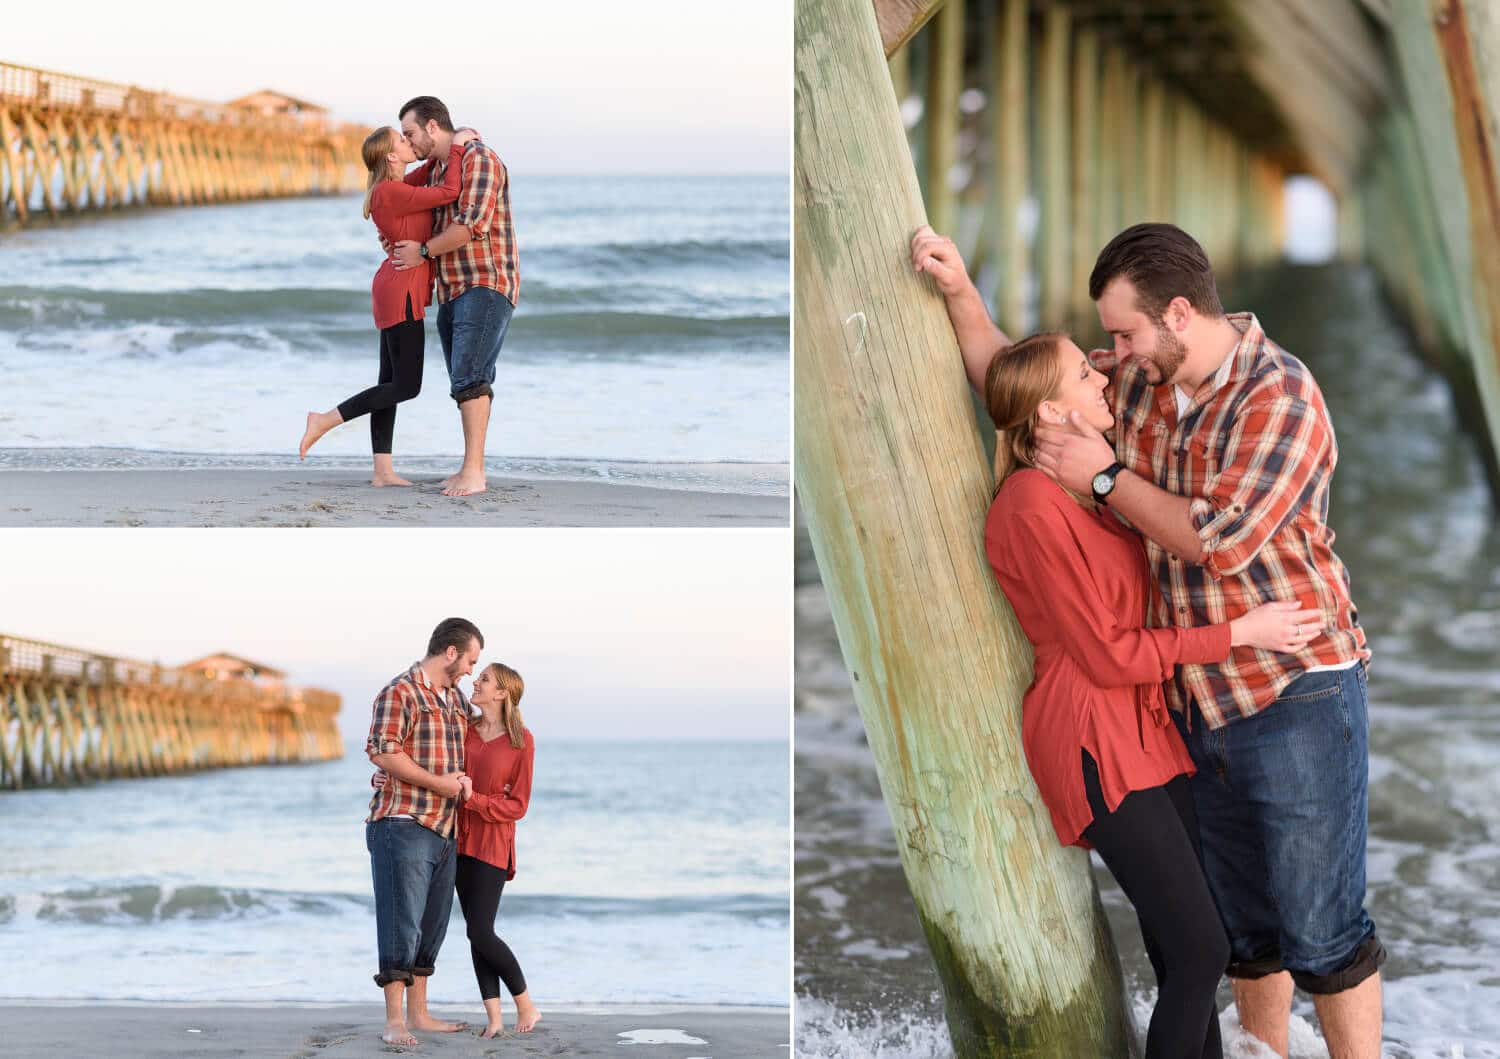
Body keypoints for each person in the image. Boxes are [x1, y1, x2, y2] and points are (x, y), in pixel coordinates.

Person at [912, 222, 1382, 1058]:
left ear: (1176, 314)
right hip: (1189, 700)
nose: (1111, 353)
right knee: (1242, 936)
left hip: (1291, 684)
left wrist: (1100, 476)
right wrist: (959, 294)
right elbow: (1019, 386)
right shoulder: (1140, 383)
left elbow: (1220, 540)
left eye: (1123, 333)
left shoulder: (1280, 394)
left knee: (1325, 932)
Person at [981, 331, 1321, 1058]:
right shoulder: (1029, 506)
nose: (1102, 383)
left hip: (1149, 730)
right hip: (1092, 740)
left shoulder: (1084, 489)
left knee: (1182, 952)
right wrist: (1240, 631)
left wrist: (961, 299)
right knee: (1202, 949)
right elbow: (1107, 653)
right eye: (1083, 375)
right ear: (1048, 414)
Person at [298, 126, 474, 483]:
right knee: (406, 386)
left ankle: (382, 471)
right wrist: (457, 147)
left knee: (389, 382)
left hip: (395, 286)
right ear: (392, 156)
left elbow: (427, 174)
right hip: (400, 290)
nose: (409, 143)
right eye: (402, 141)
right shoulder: (391, 191)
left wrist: (443, 149)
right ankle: (325, 420)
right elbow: (450, 190)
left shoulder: (397, 188)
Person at [388, 95, 519, 497]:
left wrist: (423, 252)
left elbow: (470, 226)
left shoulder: (479, 159)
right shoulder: (438, 170)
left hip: (484, 280)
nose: (409, 143)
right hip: (451, 287)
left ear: (432, 126)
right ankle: (468, 466)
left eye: (411, 134)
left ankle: (474, 472)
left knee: (471, 375)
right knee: (462, 377)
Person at [364, 617, 483, 1047]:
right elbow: (383, 752)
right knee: (402, 922)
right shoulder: (400, 691)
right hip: (404, 823)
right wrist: (441, 784)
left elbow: (483, 735)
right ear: (450, 652)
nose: (471, 670)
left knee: (432, 925)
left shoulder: (453, 699)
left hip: (445, 828)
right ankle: (395, 1020)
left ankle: (419, 1013)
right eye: (471, 660)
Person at [455, 661, 540, 1037]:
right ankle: (493, 1019)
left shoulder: (522, 741)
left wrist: (476, 800)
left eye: (485, 679)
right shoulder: (465, 730)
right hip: (456, 840)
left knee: (481, 930)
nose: (477, 681)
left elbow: (518, 806)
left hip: (492, 844)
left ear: (502, 693)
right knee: (476, 933)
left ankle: (526, 1005)